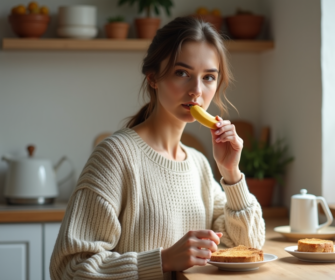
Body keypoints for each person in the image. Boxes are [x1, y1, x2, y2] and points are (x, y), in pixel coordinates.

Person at [50, 16, 265, 280]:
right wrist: (162, 260)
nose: (196, 90)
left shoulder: (197, 164)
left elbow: (249, 246)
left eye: (208, 77)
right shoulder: (115, 156)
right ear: (153, 78)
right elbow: (69, 269)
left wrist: (232, 174)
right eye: (182, 73)